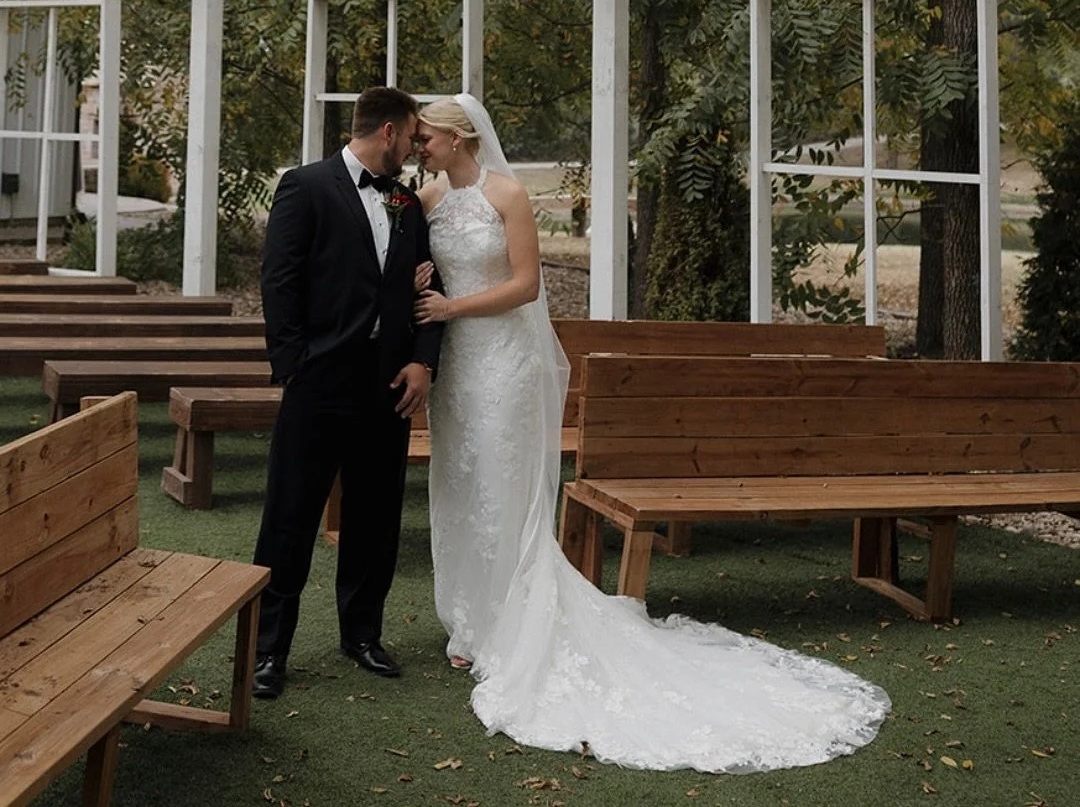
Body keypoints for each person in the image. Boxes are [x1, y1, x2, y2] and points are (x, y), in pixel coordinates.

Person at [412, 94, 890, 772]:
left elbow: (523, 286)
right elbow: (415, 262)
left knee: (502, 487)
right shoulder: (429, 199)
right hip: (457, 367)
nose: (418, 146)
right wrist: (420, 280)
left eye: (426, 137)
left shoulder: (509, 194)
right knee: (460, 484)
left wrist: (452, 302)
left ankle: (510, 625)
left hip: (502, 363)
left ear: (459, 138)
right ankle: (470, 619)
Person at [252, 85, 444, 701]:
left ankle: (362, 635)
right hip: (319, 382)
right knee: (291, 514)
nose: (416, 147)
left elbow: (423, 290)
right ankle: (267, 651)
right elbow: (278, 281)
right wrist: (294, 367)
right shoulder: (304, 186)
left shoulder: (406, 202)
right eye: (413, 136)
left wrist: (421, 362)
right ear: (387, 131)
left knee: (375, 515)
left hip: (388, 385)